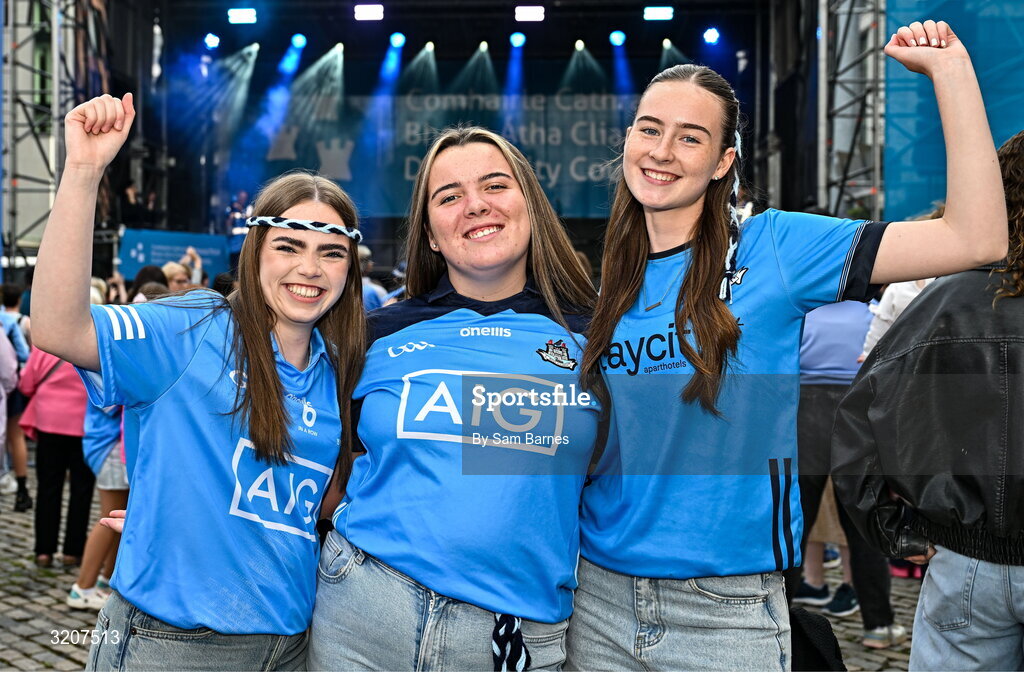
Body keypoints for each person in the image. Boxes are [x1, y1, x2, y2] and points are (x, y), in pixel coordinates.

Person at [570, 19, 1007, 671]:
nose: (663, 150)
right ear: (629, 139)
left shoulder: (774, 247)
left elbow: (976, 239)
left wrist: (952, 75)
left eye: (690, 137)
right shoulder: (604, 283)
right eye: (650, 129)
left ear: (722, 162)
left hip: (725, 612)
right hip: (596, 600)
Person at [31, 92, 365, 670]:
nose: (309, 269)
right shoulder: (190, 329)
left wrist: (186, 509)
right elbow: (59, 329)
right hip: (175, 645)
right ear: (257, 250)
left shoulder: (339, 368)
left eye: (330, 253)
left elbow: (319, 504)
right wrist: (83, 173)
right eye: (289, 246)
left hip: (293, 645)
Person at [307, 127, 600, 672]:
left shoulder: (597, 337)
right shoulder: (372, 334)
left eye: (495, 185)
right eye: (449, 196)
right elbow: (311, 457)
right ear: (432, 235)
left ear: (530, 206)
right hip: (362, 614)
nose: (475, 206)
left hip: (511, 634)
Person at [832, 128, 1024, 670]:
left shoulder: (942, 301)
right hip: (965, 558)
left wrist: (894, 529)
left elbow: (858, 422)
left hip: (966, 564)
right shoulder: (943, 300)